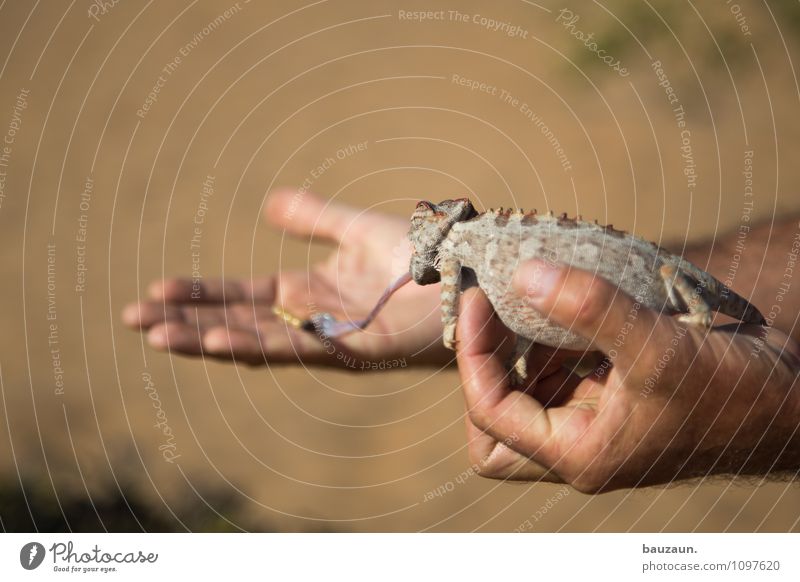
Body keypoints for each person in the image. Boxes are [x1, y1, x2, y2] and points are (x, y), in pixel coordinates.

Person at [123, 190, 800, 493]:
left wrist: (776, 413)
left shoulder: (460, 256)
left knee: (696, 301)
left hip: (643, 279)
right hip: (644, 279)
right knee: (701, 301)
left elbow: (455, 304)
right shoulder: (460, 248)